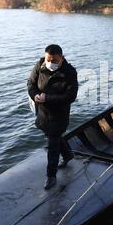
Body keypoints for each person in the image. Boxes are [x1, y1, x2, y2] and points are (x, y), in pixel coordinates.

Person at [27, 44, 78, 190]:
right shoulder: (40, 64)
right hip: (42, 112)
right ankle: (68, 155)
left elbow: (70, 96)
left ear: (61, 57)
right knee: (51, 135)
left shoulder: (69, 72)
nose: (51, 63)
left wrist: (48, 98)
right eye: (48, 59)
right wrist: (35, 94)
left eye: (54, 61)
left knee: (53, 144)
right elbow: (31, 83)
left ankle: (51, 176)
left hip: (59, 113)